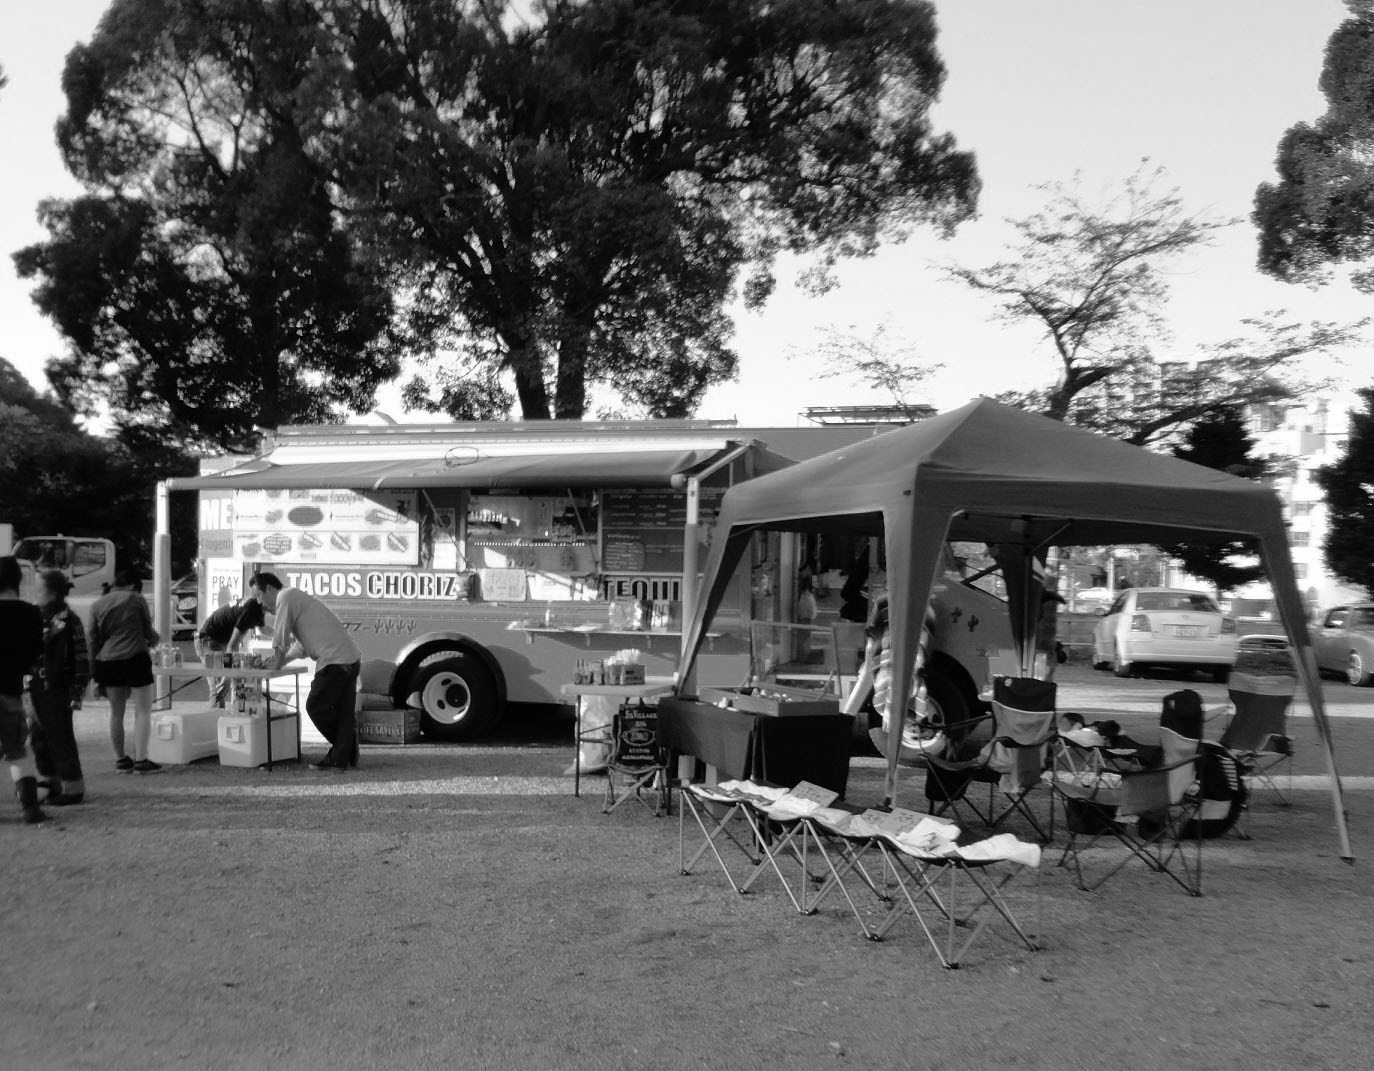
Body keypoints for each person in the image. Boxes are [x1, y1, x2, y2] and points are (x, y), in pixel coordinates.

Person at [255, 572, 362, 771]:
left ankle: (344, 747)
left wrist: (276, 663)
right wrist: (279, 661)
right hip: (350, 658)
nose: (260, 603)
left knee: (315, 706)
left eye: (259, 596)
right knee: (344, 713)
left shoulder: (284, 596)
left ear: (269, 588)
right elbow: (301, 646)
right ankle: (342, 755)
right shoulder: (297, 599)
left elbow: (280, 636)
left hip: (335, 661)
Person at [88, 569, 161, 774]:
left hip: (107, 661)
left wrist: (93, 670)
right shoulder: (135, 599)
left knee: (116, 712)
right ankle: (141, 760)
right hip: (135, 657)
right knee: (143, 710)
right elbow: (147, 630)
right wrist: (155, 639)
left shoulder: (97, 605)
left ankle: (120, 759)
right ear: (133, 586)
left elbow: (92, 640)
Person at [30, 570, 90, 805]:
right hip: (36, 686)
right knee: (39, 737)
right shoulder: (35, 617)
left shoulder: (69, 620)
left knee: (60, 737)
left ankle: (73, 788)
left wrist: (77, 690)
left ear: (52, 593)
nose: (35, 591)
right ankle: (50, 782)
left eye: (39, 588)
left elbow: (81, 658)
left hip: (59, 688)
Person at [0, 556, 48, 823]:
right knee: (17, 751)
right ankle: (31, 808)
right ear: (18, 580)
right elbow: (36, 653)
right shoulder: (31, 613)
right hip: (10, 690)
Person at [195, 578, 266, 707]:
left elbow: (263, 629)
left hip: (219, 639)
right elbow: (232, 646)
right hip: (207, 640)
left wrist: (287, 633)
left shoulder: (258, 608)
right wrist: (233, 669)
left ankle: (239, 710)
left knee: (230, 680)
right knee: (220, 685)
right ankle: (220, 711)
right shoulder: (250, 610)